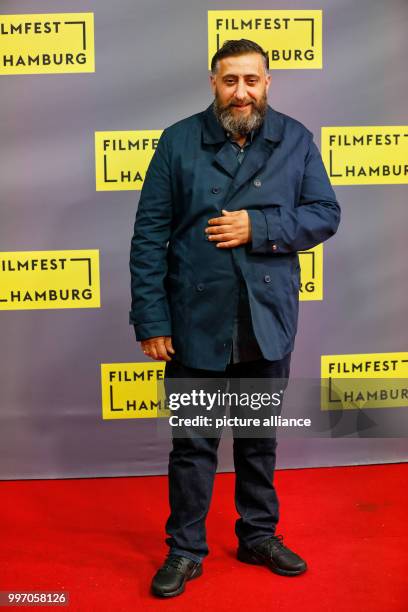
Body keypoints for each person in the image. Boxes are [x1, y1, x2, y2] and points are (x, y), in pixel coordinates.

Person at [129, 39, 340, 598]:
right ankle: (185, 549)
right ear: (213, 83)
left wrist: (259, 229)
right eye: (230, 81)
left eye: (252, 80)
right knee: (192, 443)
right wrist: (152, 320)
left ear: (267, 82)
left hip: (264, 318)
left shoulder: (295, 138)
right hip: (194, 318)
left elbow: (325, 213)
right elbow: (149, 236)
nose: (241, 91)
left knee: (258, 438)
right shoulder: (177, 141)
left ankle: (257, 535)